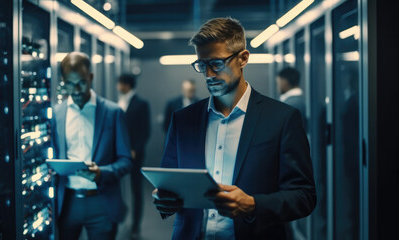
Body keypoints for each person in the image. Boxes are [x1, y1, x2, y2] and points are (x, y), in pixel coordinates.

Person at [151, 18, 316, 239]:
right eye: (202, 65)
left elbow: (303, 196)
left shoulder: (282, 119)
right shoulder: (183, 120)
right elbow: (169, 185)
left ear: (243, 58)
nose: (209, 74)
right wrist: (164, 200)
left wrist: (253, 204)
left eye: (217, 63)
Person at [51, 52, 133, 240]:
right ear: (63, 81)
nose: (77, 90)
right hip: (67, 203)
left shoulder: (113, 113)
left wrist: (102, 173)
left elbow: (126, 161)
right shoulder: (56, 114)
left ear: (91, 77)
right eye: (70, 84)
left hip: (101, 202)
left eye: (81, 82)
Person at [117, 73, 151, 239]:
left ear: (126, 84)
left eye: (120, 83)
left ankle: (136, 225)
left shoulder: (141, 104)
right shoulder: (119, 102)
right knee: (116, 185)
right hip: (119, 153)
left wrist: (135, 149)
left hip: (135, 154)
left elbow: (145, 130)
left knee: (136, 190)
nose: (118, 87)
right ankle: (119, 217)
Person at [276, 67, 307, 131]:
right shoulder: (301, 100)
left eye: (278, 83)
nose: (277, 87)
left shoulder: (289, 104)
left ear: (284, 82)